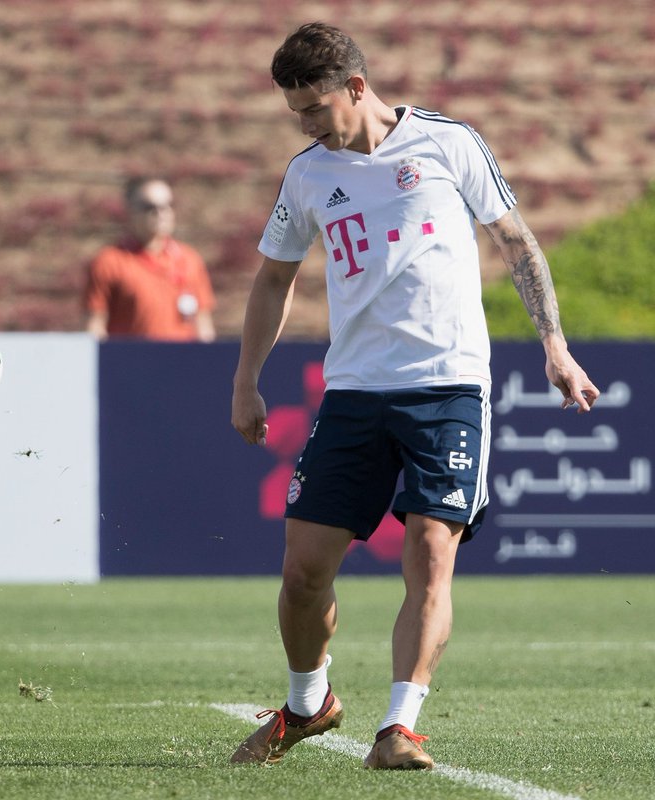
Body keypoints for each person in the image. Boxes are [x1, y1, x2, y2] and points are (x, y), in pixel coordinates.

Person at [229, 23, 598, 769]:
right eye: (293, 111)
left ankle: (400, 725)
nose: (303, 124)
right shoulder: (307, 175)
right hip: (356, 391)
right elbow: (275, 277)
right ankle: (309, 705)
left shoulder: (448, 143)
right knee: (303, 573)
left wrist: (554, 344)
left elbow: (517, 242)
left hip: (449, 386)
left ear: (357, 89)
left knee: (432, 551)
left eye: (313, 107)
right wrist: (246, 380)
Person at [84, 176, 217, 342]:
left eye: (167, 206)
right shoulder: (109, 261)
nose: (160, 213)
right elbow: (96, 325)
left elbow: (203, 324)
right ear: (130, 211)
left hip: (182, 363)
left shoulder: (190, 259)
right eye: (150, 207)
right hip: (130, 363)